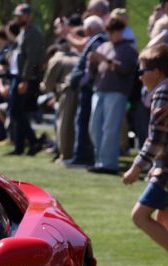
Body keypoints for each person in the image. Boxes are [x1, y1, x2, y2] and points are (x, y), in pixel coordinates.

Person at [122, 43, 168, 266]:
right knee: (166, 218)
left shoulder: (163, 92)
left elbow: (156, 139)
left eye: (143, 71)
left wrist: (136, 167)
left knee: (139, 216)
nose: (140, 76)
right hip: (165, 167)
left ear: (158, 72)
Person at [88, 16, 138, 174]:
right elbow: (93, 72)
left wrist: (107, 60)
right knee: (94, 127)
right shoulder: (104, 46)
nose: (110, 35)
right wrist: (92, 62)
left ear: (120, 32)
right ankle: (99, 160)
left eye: (113, 32)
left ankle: (108, 164)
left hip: (117, 92)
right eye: (108, 32)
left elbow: (125, 69)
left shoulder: (128, 50)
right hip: (99, 90)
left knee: (110, 128)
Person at [66, 15, 108, 168]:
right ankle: (82, 155)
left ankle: (82, 156)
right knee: (83, 121)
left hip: (89, 88)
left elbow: (91, 67)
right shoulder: (99, 39)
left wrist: (82, 81)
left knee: (83, 122)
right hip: (90, 87)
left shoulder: (98, 41)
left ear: (89, 29)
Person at [8, 4, 46, 156]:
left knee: (17, 112)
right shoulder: (24, 31)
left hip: (26, 78)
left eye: (21, 15)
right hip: (19, 76)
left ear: (29, 16)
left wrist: (25, 79)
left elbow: (32, 59)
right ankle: (20, 147)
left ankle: (34, 142)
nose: (17, 18)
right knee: (17, 112)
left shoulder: (33, 33)